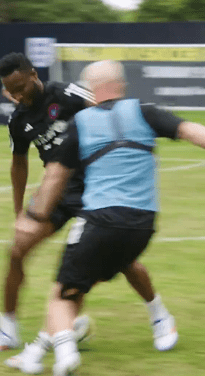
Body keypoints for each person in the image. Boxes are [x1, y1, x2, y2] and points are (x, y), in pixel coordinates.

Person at [0, 54, 176, 360]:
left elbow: (108, 115)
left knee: (123, 261)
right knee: (16, 250)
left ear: (33, 75)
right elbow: (19, 165)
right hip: (56, 193)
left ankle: (159, 315)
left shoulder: (68, 95)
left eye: (20, 87)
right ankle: (7, 330)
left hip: (96, 189)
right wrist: (18, 213)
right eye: (10, 91)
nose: (17, 96)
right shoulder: (18, 120)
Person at [10, 60, 205, 376]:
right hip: (143, 225)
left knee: (63, 291)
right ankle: (39, 350)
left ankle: (64, 353)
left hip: (100, 220)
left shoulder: (82, 123)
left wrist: (34, 215)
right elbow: (193, 131)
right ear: (123, 85)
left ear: (91, 89)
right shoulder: (146, 111)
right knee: (91, 276)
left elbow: (55, 176)